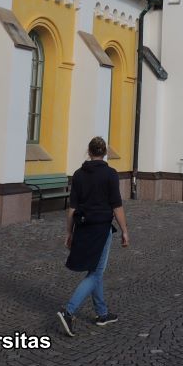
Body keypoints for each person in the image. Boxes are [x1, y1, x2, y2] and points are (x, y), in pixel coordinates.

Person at [56, 137, 129, 337]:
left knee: (95, 270)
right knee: (96, 273)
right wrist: (124, 230)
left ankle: (102, 313)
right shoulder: (110, 174)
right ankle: (69, 311)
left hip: (82, 227)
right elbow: (116, 205)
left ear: (89, 152)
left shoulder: (79, 175)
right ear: (104, 153)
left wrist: (69, 232)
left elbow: (72, 208)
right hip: (100, 228)